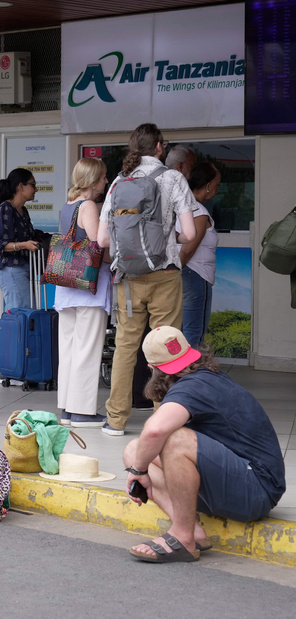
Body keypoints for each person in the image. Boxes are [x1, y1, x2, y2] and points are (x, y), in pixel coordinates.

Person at [123, 327, 285, 563]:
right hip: (238, 484)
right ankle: (191, 530)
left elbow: (156, 429)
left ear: (152, 369)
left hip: (257, 490)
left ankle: (182, 537)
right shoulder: (204, 377)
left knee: (175, 440)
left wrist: (138, 472)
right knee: (135, 450)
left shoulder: (193, 387)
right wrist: (140, 465)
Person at [98, 123, 197, 437]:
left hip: (127, 278)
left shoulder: (117, 181)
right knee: (166, 347)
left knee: (126, 347)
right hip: (164, 275)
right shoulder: (172, 178)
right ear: (159, 147)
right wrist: (168, 235)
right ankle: (160, 419)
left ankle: (115, 420)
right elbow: (191, 234)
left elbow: (102, 239)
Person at [54, 158, 112, 427]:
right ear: (93, 179)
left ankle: (67, 407)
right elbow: (98, 244)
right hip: (87, 286)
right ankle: (83, 411)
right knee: (87, 348)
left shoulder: (68, 205)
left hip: (66, 285)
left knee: (69, 348)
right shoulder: (88, 205)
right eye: (102, 178)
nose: (105, 182)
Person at [0, 167, 46, 310]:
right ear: (20, 186)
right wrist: (24, 245)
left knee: (27, 311)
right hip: (10, 268)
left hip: (22, 267)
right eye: (33, 184)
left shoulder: (23, 210)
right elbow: (0, 244)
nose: (36, 189)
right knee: (21, 313)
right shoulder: (5, 208)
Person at [178, 160, 220, 347]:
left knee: (179, 332)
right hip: (195, 276)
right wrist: (173, 273)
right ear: (209, 186)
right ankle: (188, 375)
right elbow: (187, 250)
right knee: (194, 334)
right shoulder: (199, 212)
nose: (217, 189)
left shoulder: (181, 207)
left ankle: (176, 374)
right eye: (217, 185)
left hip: (182, 275)